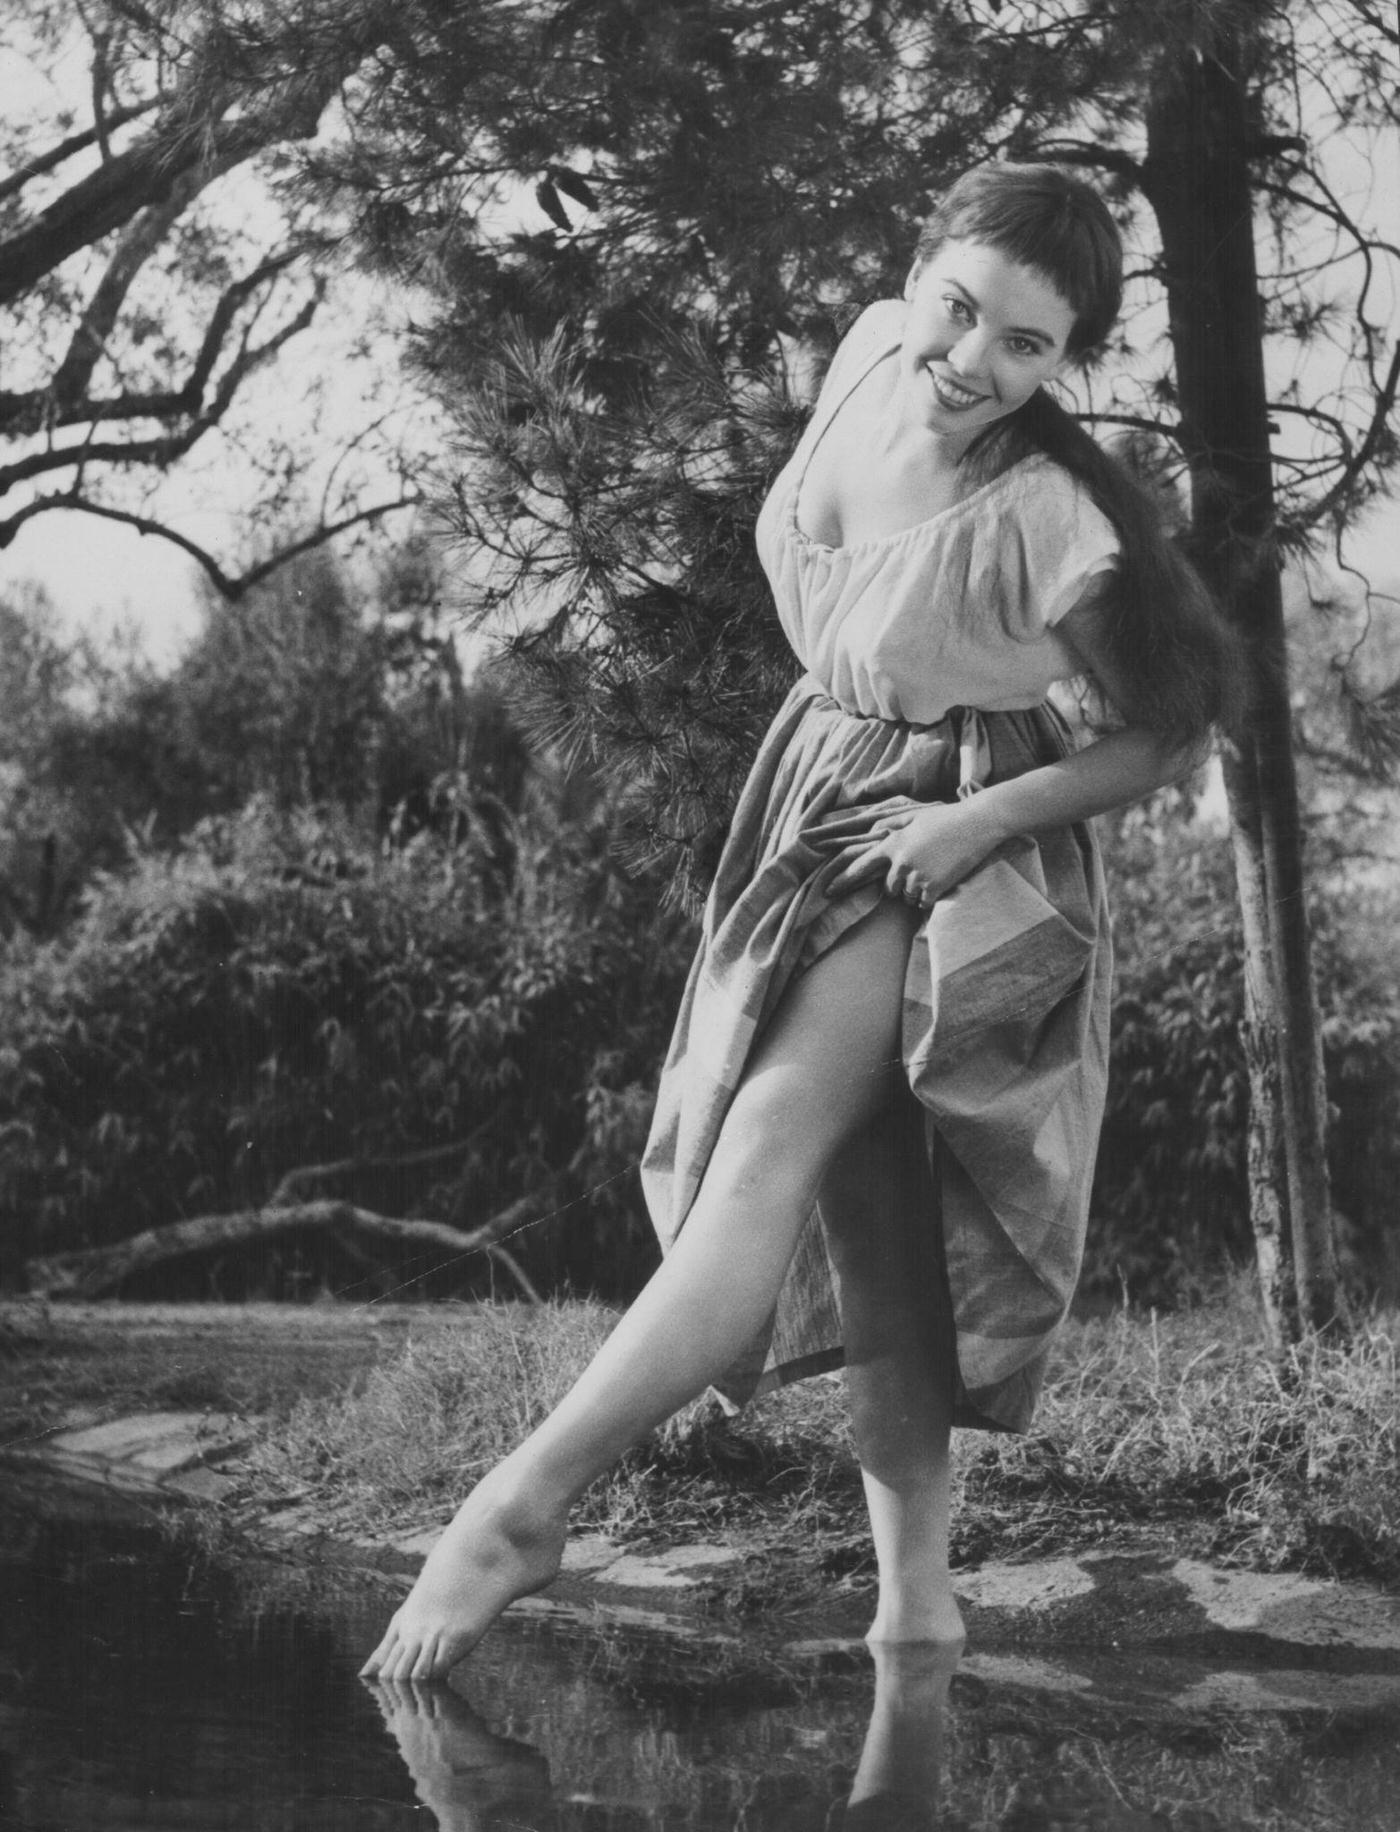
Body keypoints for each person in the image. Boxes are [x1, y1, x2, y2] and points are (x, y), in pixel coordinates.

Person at [362, 162, 1239, 1683]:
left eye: (1026, 346)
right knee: (874, 1215)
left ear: (1063, 363)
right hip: (816, 782)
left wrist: (975, 822)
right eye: (958, 311)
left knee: (759, 1163)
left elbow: (1169, 737)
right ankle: (920, 1613)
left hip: (939, 834)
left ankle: (524, 1502)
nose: (972, 364)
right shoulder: (865, 350)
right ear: (920, 276)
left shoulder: (1044, 511)